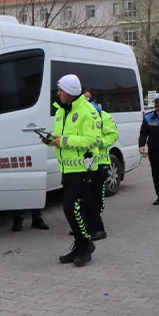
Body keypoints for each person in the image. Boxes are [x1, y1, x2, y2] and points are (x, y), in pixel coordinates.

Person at [45, 74, 102, 267]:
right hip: (67, 168)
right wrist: (51, 139)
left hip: (83, 168)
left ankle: (86, 245)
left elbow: (92, 139)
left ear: (70, 92)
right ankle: (80, 246)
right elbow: (61, 136)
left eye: (61, 90)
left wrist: (64, 141)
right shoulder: (61, 110)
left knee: (71, 208)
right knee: (72, 209)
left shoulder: (88, 111)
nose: (58, 93)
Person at [84, 88, 119, 240]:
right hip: (85, 164)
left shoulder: (103, 116)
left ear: (94, 101)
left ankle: (97, 228)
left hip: (101, 163)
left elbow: (113, 135)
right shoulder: (78, 117)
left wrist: (100, 143)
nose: (85, 102)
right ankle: (85, 226)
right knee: (85, 197)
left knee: (95, 197)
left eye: (88, 99)